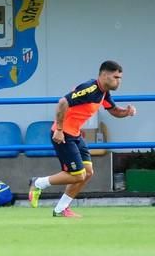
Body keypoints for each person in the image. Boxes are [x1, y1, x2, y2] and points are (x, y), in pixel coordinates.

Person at [28, 60, 136, 218]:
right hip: (63, 135)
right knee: (78, 175)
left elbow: (113, 110)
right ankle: (38, 183)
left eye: (120, 78)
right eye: (115, 77)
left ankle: (61, 209)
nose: (118, 81)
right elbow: (63, 102)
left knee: (88, 172)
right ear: (104, 75)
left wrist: (127, 112)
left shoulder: (104, 92)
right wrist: (58, 129)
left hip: (75, 135)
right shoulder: (90, 88)